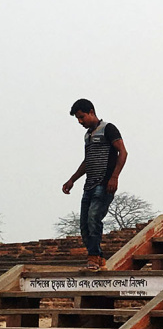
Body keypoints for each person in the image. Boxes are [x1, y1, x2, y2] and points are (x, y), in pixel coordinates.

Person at [63, 99, 128, 272]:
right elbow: (87, 161)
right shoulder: (88, 135)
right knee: (84, 224)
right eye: (78, 118)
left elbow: (123, 151)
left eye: (82, 117)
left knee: (93, 217)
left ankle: (93, 258)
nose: (80, 121)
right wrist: (72, 179)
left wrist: (114, 177)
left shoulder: (108, 128)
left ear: (91, 112)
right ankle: (98, 258)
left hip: (104, 183)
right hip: (89, 185)